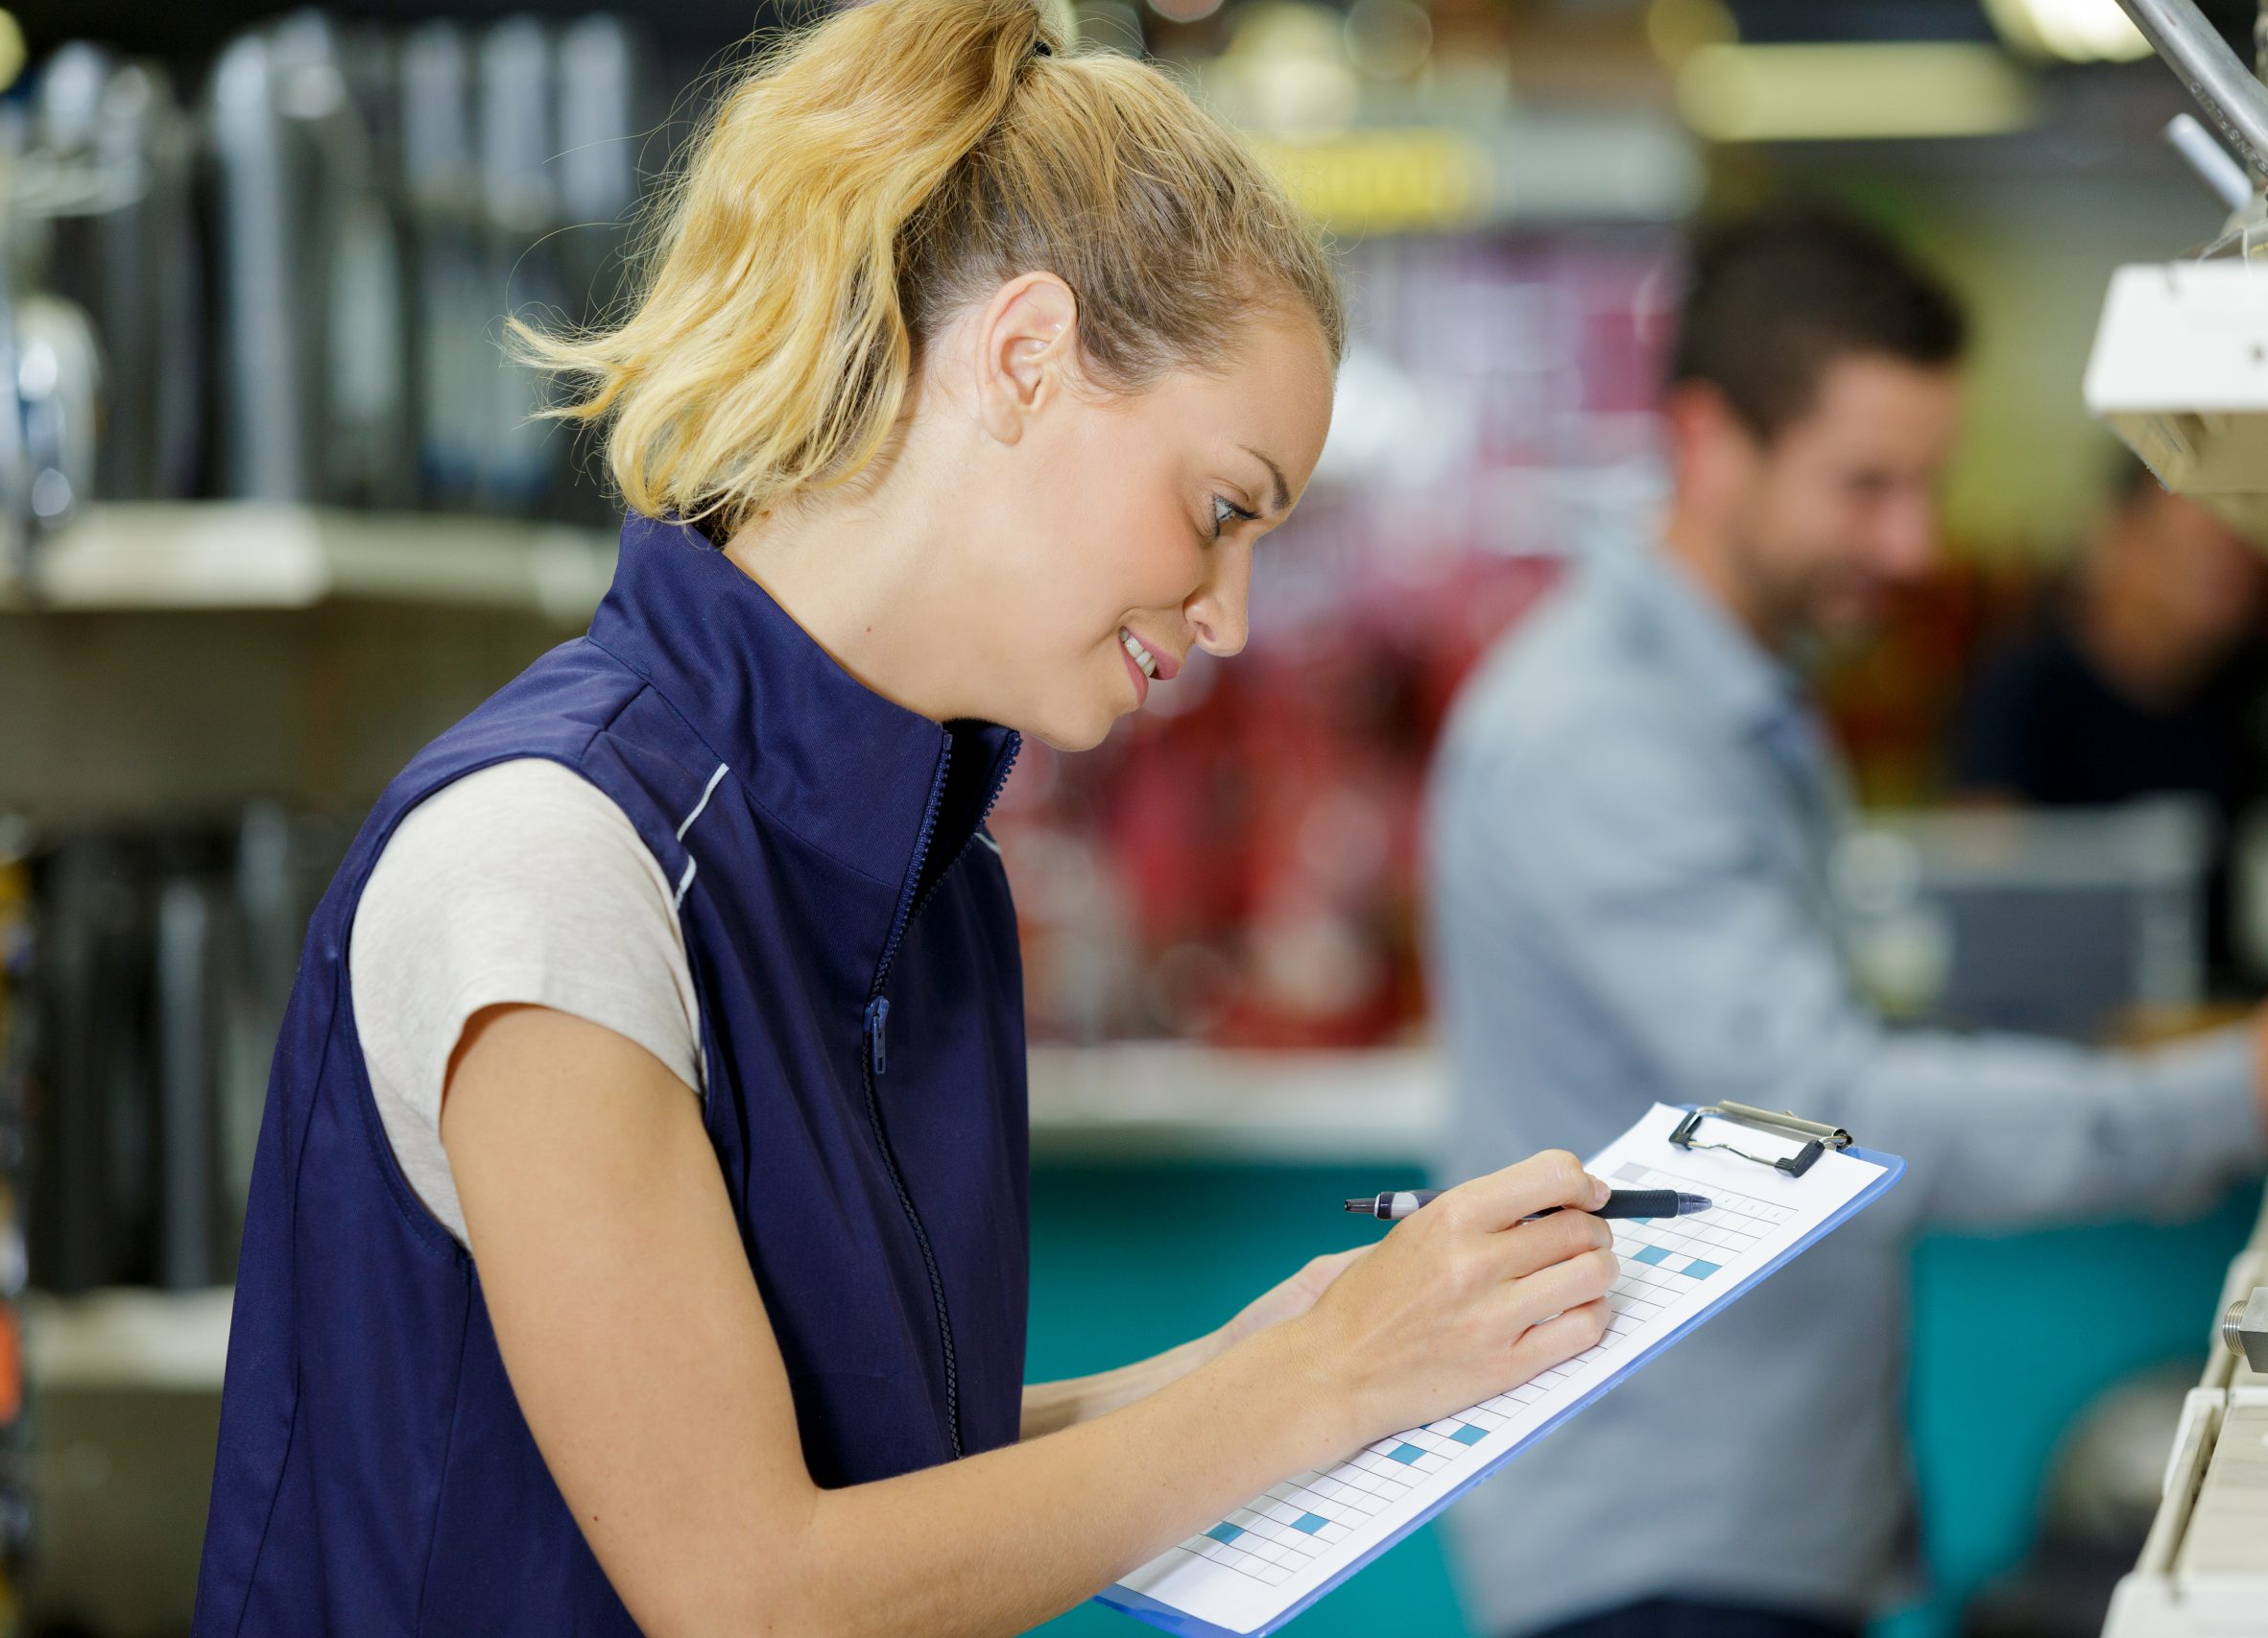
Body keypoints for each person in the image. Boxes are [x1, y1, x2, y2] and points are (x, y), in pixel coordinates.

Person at [192, 6, 1626, 1633]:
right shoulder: (551, 861)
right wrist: (1308, 1384)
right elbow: (751, 1588)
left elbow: (857, 1471)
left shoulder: (923, 879)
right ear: (1022, 359)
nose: (1230, 615)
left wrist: (1282, 1356)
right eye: (1221, 510)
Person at [1424, 206, 2268, 1638]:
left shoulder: (1745, 705)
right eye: (1866, 485)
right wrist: (2234, 1089)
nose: (1913, 542)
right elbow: (1826, 1108)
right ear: (1713, 441)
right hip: (1655, 1553)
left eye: (1926, 483)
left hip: (1758, 1526)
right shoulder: (1599, 733)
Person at [1954, 463, 2268, 982]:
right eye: (2192, 545)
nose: (2221, 567)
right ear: (2116, 540)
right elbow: (1987, 892)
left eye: (2236, 546)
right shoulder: (2025, 691)